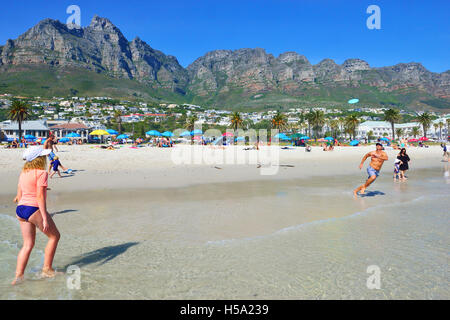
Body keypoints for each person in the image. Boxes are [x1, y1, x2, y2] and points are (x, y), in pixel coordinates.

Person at [12, 146, 61, 285]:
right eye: (43, 156)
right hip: (33, 209)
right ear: (39, 159)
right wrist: (45, 217)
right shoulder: (41, 173)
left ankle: (18, 277)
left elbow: (19, 195)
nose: (45, 158)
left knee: (27, 244)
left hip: (21, 209)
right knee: (54, 236)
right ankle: (47, 270)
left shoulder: (23, 172)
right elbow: (39, 196)